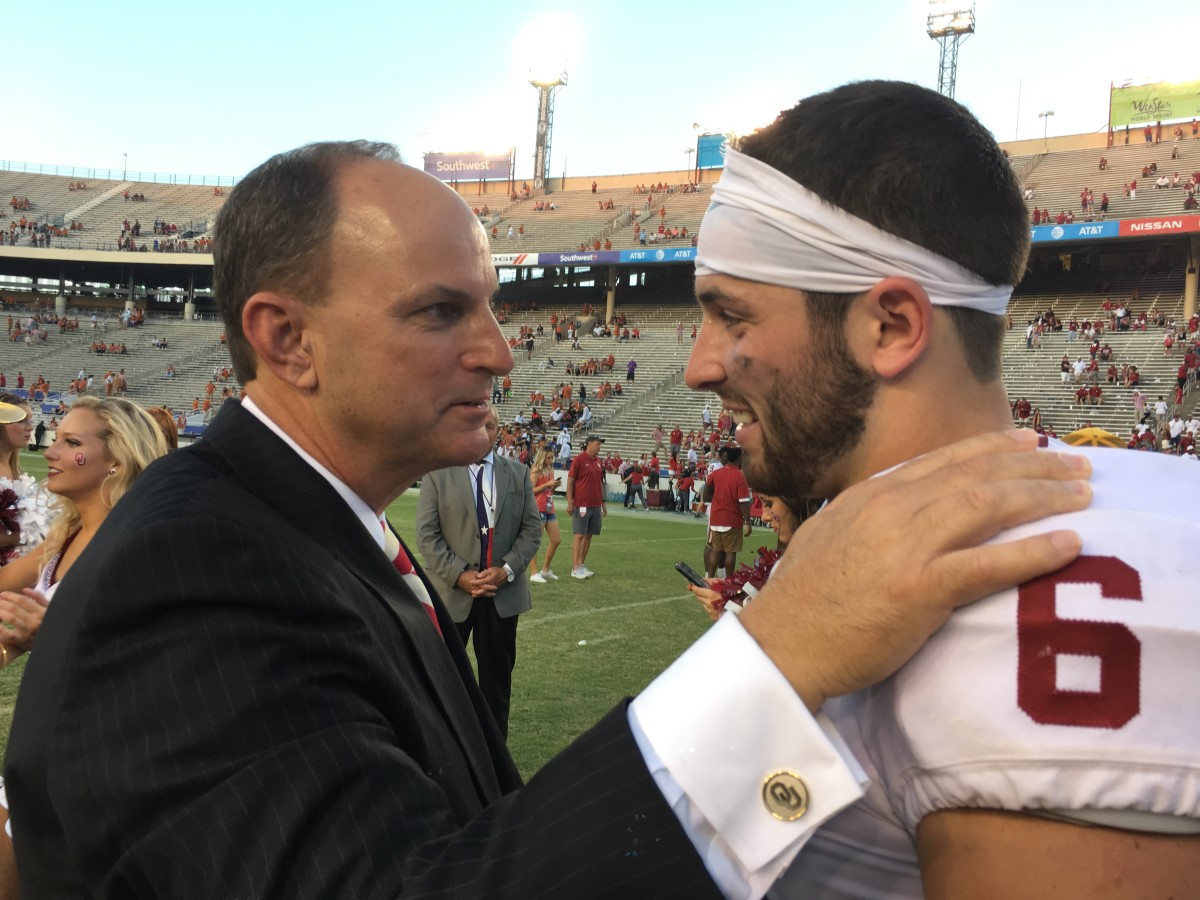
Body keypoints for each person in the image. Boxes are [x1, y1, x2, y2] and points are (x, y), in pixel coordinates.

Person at [4, 140, 1093, 900]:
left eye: (490, 303)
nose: (498, 348)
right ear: (286, 340)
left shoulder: (306, 526)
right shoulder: (201, 561)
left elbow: (461, 830)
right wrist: (776, 657)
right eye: (441, 311)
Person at [686, 80, 1199, 898]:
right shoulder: (855, 548)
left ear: (891, 326)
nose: (699, 365)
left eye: (733, 316)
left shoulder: (1051, 583)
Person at [415, 405, 541, 739]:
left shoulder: (516, 473)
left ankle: (494, 757)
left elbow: (531, 531)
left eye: (489, 425)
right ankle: (446, 748)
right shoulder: (438, 472)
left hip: (502, 596)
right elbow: (427, 536)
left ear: (498, 431)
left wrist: (507, 570)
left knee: (496, 685)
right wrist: (460, 575)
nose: (482, 431)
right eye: (475, 423)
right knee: (442, 680)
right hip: (452, 594)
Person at [702, 445, 752, 577]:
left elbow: (706, 495)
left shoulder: (716, 473)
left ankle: (710, 579)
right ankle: (729, 581)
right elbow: (744, 502)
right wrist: (748, 521)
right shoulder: (740, 477)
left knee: (715, 550)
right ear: (739, 459)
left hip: (716, 518)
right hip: (732, 519)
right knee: (731, 552)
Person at [566, 434, 607, 576]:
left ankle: (581, 564)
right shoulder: (578, 460)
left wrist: (603, 502)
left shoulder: (598, 461)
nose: (599, 446)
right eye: (598, 443)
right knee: (579, 535)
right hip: (582, 504)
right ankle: (575, 567)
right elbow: (570, 481)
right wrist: (570, 501)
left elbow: (599, 483)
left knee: (589, 535)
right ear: (589, 443)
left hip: (595, 504)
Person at [527, 447, 562, 583]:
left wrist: (553, 486)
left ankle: (545, 570)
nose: (551, 460)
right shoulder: (536, 470)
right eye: (548, 458)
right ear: (542, 457)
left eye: (552, 457)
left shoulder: (550, 470)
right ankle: (534, 573)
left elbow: (548, 489)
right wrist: (547, 484)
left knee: (556, 540)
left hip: (549, 507)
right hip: (538, 508)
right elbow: (530, 490)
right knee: (535, 541)